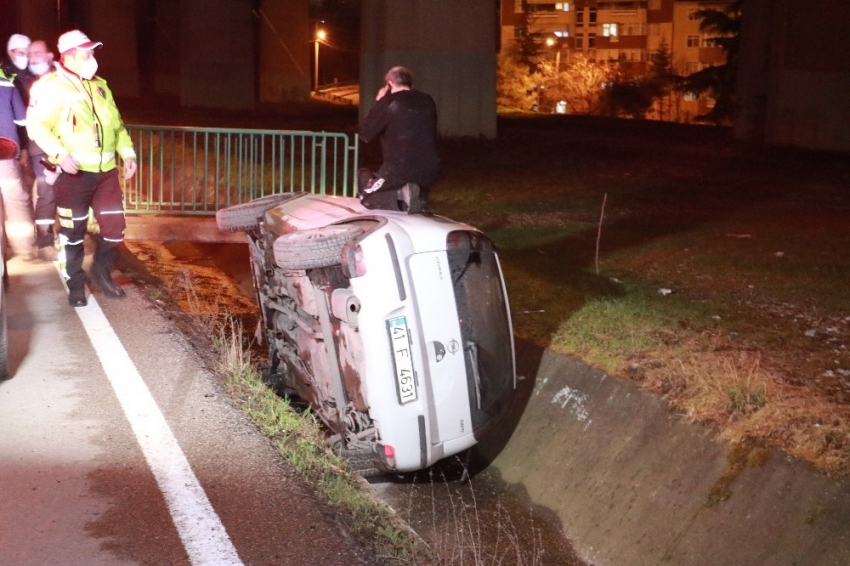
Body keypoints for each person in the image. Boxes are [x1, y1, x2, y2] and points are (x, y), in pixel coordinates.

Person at [26, 30, 137, 307]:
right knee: (73, 233)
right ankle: (76, 283)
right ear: (69, 56)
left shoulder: (100, 85)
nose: (92, 58)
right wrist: (60, 154)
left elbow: (117, 125)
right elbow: (37, 126)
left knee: (115, 228)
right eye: (87, 53)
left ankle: (100, 272)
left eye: (92, 52)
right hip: (73, 176)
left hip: (106, 174)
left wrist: (128, 153)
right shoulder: (49, 86)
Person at [358, 66, 441, 214]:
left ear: (389, 84)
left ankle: (405, 192)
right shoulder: (427, 100)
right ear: (410, 84)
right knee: (400, 190)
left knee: (366, 198)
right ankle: (412, 194)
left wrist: (380, 101)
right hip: (430, 169)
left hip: (398, 169)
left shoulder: (390, 102)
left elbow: (365, 134)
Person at [17, 40, 57, 258]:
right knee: (45, 188)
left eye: (38, 53)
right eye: (30, 54)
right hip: (38, 145)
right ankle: (44, 237)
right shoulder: (22, 81)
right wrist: (23, 147)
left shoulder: (62, 77)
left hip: (64, 144)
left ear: (50, 55)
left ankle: (59, 231)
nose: (32, 58)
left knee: (63, 189)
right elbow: (21, 118)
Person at [0, 61, 36, 260]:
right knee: (15, 200)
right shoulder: (6, 83)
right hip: (5, 149)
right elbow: (22, 120)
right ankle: (23, 248)